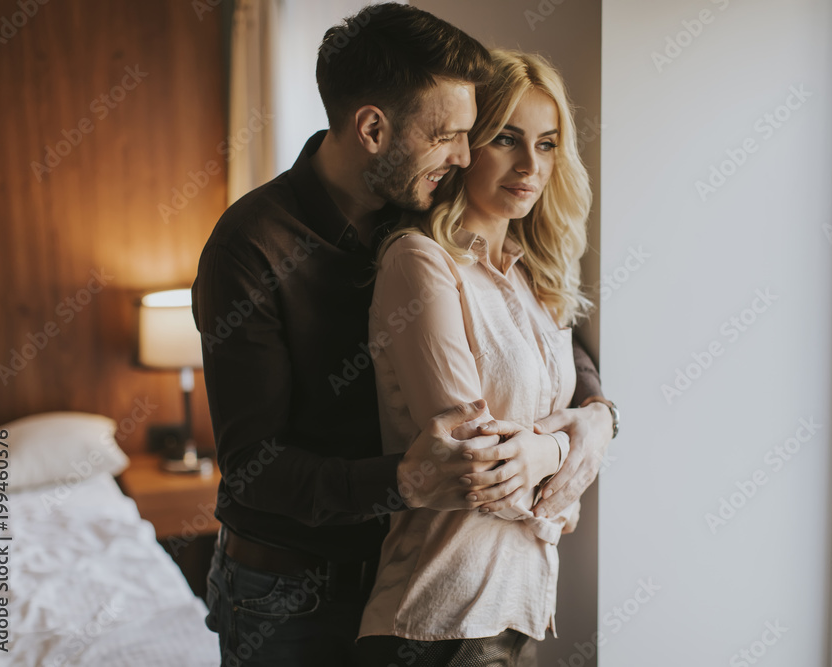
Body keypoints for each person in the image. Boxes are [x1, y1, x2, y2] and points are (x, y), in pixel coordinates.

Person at [191, 5, 612, 666]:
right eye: (448, 135)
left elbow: (537, 330)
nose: (466, 156)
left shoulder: (423, 207)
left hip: (402, 576)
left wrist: (594, 418)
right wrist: (405, 481)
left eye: (474, 134)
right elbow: (252, 471)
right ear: (372, 129)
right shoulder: (250, 245)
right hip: (290, 589)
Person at [356, 49, 618, 666]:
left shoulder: (536, 281)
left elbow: (563, 434)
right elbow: (473, 468)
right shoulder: (420, 263)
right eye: (508, 138)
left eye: (549, 144)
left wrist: (589, 427)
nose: (531, 164)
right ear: (466, 146)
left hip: (519, 614)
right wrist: (563, 452)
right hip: (438, 623)